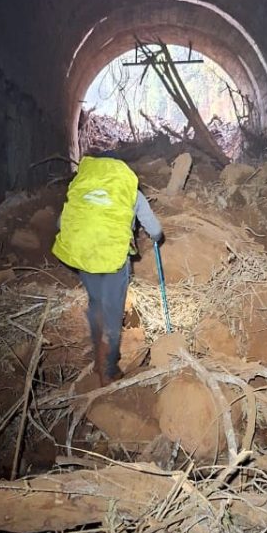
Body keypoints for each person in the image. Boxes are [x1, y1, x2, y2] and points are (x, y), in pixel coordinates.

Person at [52, 149, 162, 384]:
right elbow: (155, 230)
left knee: (97, 303)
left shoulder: (83, 186)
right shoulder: (128, 189)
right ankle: (108, 369)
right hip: (113, 256)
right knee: (112, 310)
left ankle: (99, 355)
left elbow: (61, 222)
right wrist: (154, 236)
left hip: (84, 253)